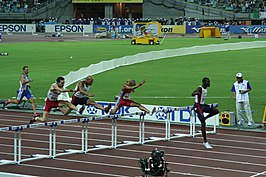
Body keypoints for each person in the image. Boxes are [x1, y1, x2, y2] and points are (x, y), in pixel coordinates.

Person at [192, 77, 219, 149]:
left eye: (209, 81)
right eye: (208, 82)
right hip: (197, 106)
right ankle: (205, 141)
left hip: (203, 105)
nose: (209, 83)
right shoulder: (200, 88)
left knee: (216, 111)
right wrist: (196, 93)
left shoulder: (205, 89)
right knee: (203, 123)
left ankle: (204, 118)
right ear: (204, 82)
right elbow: (193, 93)